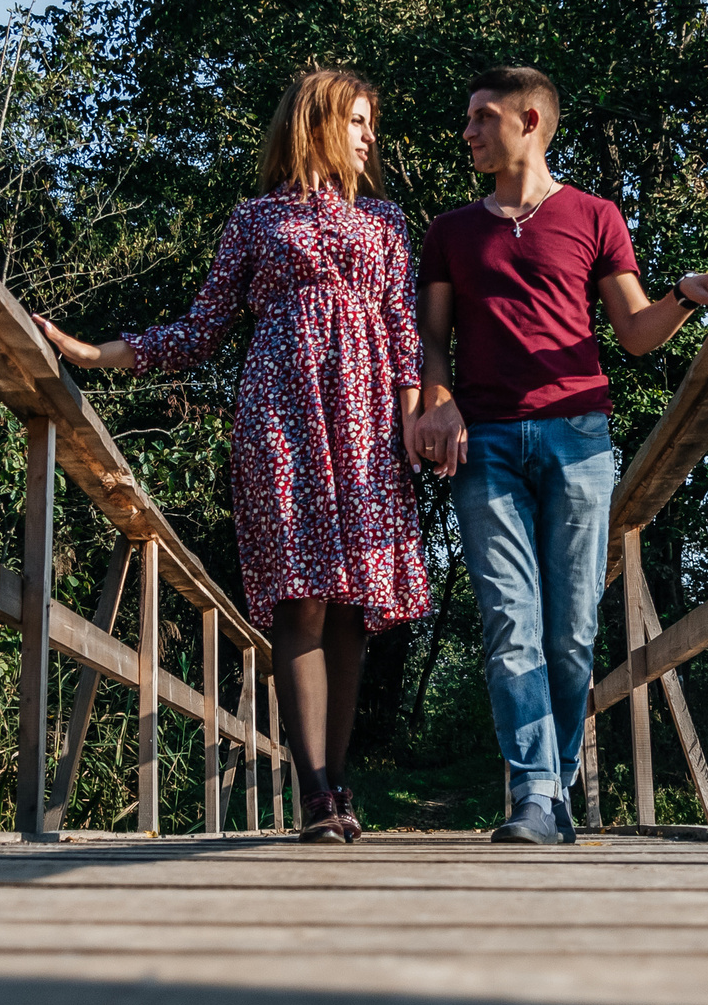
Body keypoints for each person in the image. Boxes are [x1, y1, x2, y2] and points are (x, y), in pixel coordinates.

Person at [38, 69, 429, 844]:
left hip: (368, 424)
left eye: (369, 123)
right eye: (355, 120)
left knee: (353, 607)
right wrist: (98, 352)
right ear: (316, 123)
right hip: (281, 418)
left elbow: (405, 333)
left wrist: (415, 421)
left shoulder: (386, 222)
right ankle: (314, 791)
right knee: (300, 596)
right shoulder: (255, 220)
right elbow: (202, 327)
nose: (367, 137)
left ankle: (339, 780)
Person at [411, 66, 708, 845]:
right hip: (485, 444)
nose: (468, 132)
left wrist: (685, 296)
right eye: (468, 119)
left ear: (530, 121)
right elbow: (430, 338)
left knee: (570, 632)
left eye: (482, 118)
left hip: (579, 440)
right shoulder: (451, 231)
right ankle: (531, 791)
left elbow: (632, 333)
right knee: (509, 620)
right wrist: (438, 397)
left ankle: (554, 789)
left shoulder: (594, 216)